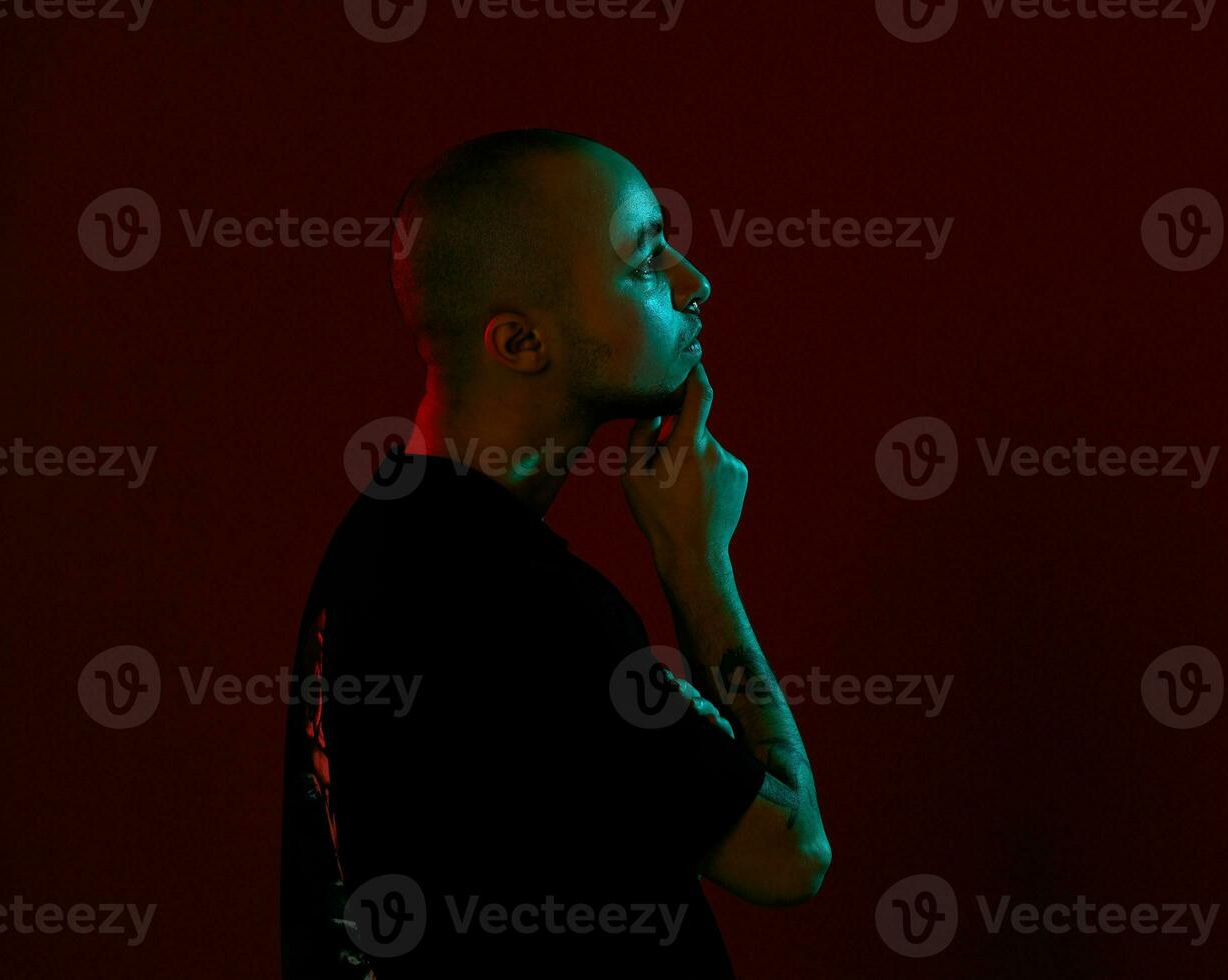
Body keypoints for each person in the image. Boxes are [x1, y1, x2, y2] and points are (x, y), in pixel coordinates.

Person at [279, 129, 830, 978]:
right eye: (645, 262)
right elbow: (790, 852)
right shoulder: (519, 604)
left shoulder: (378, 548)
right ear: (521, 343)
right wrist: (696, 560)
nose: (695, 284)